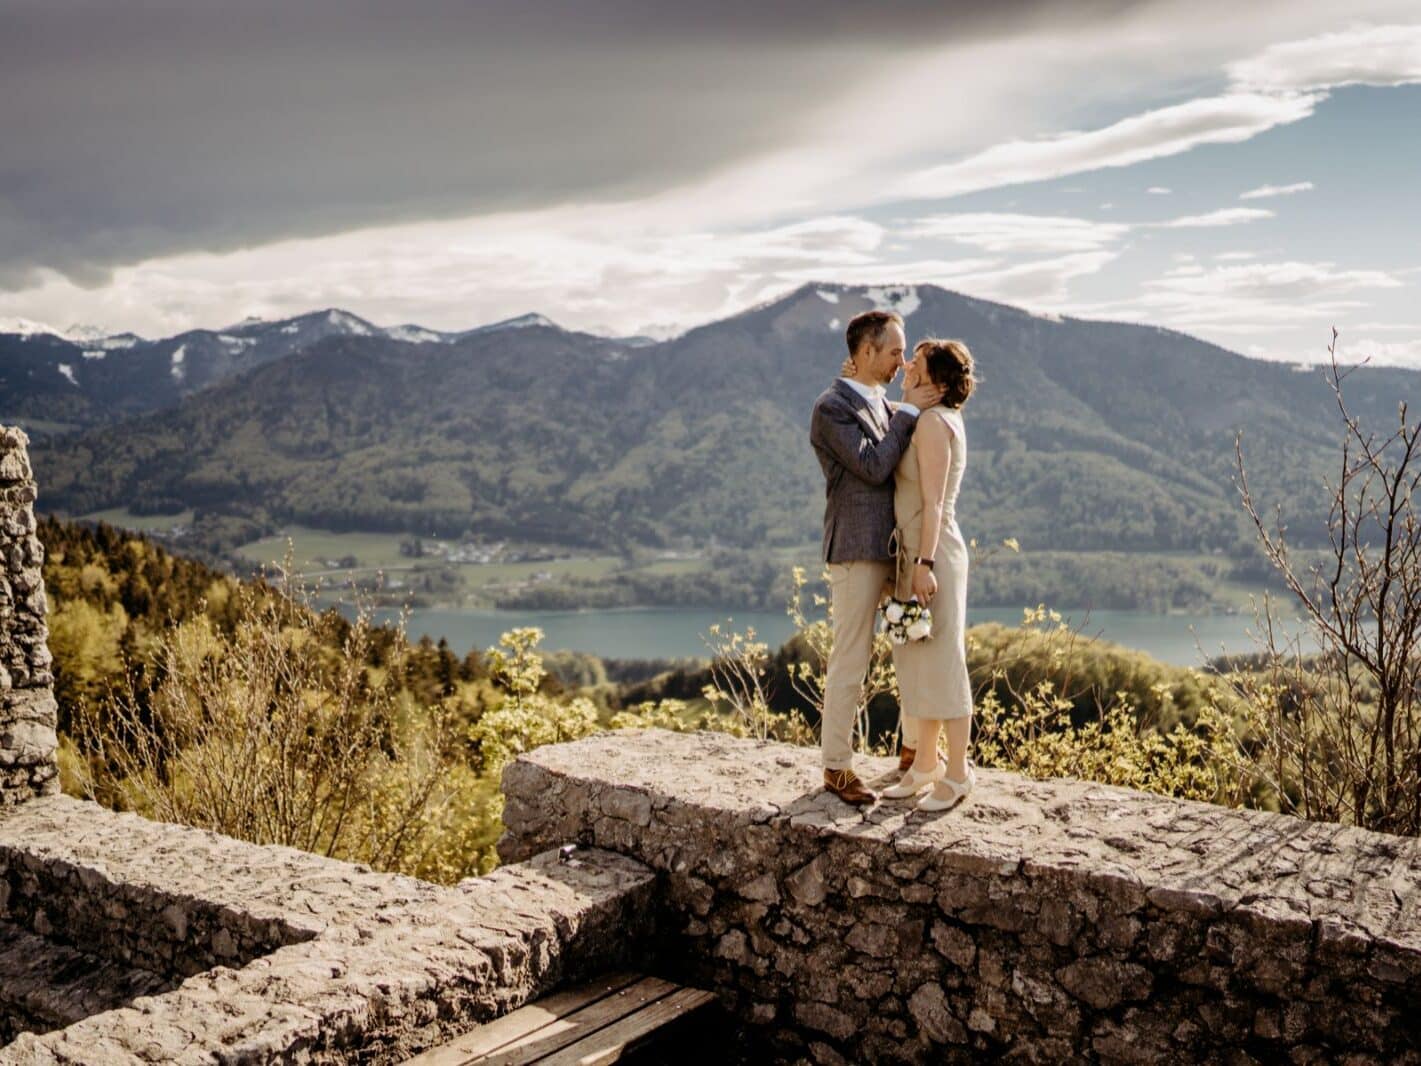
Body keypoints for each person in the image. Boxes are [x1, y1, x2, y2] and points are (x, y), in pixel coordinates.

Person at [809, 310, 944, 805]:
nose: (901, 361)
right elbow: (871, 465)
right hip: (857, 550)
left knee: (912, 645)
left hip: (899, 551)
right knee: (851, 657)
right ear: (865, 353)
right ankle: (837, 768)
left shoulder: (886, 404)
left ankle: (914, 751)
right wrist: (908, 411)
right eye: (893, 352)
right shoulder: (831, 409)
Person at [879, 338, 977, 811]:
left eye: (913, 364)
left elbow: (935, 502)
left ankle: (957, 774)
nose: (904, 367)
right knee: (914, 661)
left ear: (935, 383)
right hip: (911, 557)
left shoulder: (936, 424)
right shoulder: (924, 416)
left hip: (930, 559)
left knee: (941, 662)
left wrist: (924, 564)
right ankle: (925, 765)